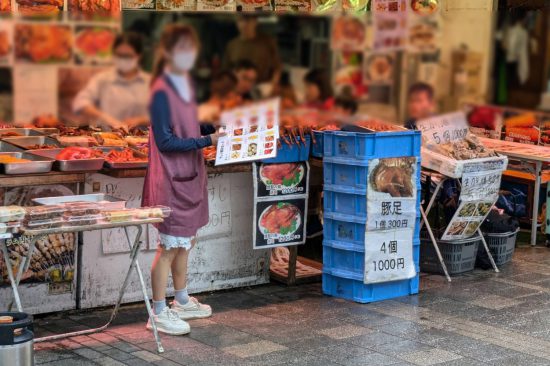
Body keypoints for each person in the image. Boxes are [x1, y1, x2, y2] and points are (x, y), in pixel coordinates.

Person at [142, 24, 219, 335]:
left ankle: (182, 300)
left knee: (186, 242)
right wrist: (206, 141)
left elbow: (195, 125)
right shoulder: (160, 92)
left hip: (189, 176)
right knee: (169, 247)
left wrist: (210, 124)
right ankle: (158, 311)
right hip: (171, 181)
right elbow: (165, 142)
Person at [73, 32, 150, 131]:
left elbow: (166, 115)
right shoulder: (102, 79)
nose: (123, 59)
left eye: (127, 56)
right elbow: (80, 102)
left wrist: (141, 120)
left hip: (143, 141)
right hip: (108, 140)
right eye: (119, 55)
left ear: (138, 56)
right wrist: (106, 117)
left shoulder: (150, 82)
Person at [224, 15, 281, 93]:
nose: (244, 24)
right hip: (238, 90)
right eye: (240, 20)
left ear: (255, 22)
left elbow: (277, 67)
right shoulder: (232, 45)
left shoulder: (267, 42)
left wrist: (273, 85)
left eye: (248, 20)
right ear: (237, 23)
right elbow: (226, 71)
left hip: (262, 89)